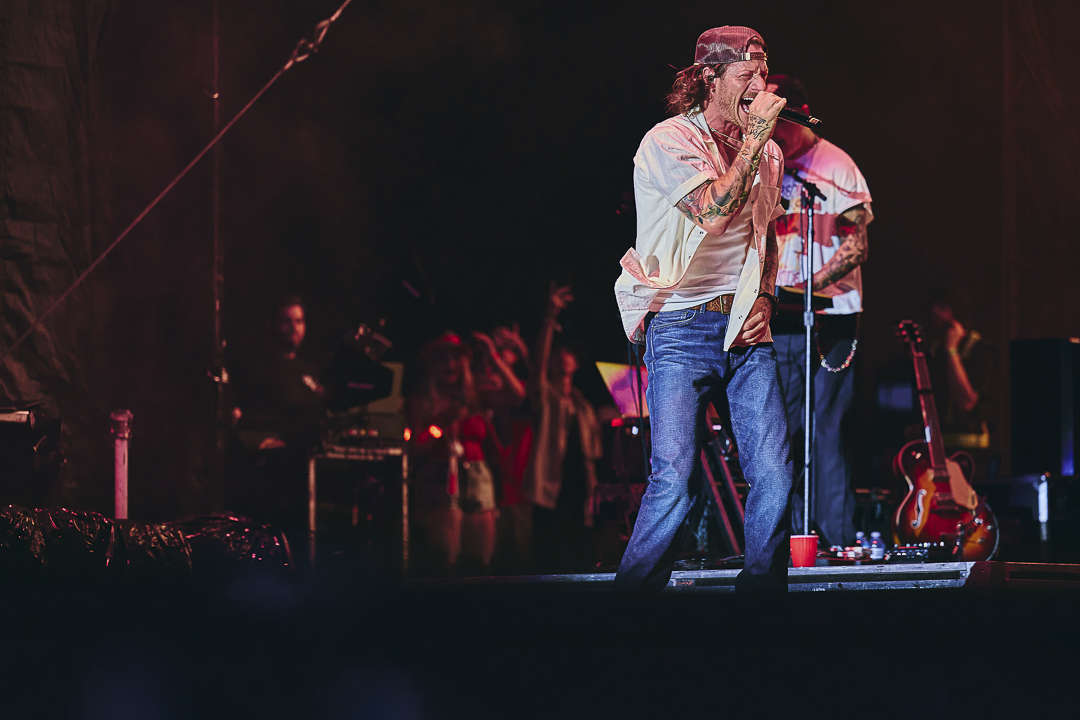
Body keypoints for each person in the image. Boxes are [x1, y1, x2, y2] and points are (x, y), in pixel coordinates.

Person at [613, 26, 793, 592]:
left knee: (774, 471)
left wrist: (767, 296)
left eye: (764, 73)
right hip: (680, 323)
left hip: (746, 327)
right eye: (747, 74)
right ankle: (630, 601)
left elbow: (767, 235)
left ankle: (762, 598)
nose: (761, 85)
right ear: (709, 79)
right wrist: (756, 138)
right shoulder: (668, 140)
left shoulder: (770, 153)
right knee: (675, 477)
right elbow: (714, 213)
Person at [766, 74, 873, 549]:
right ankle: (786, 540)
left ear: (802, 114)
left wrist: (808, 285)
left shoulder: (837, 165)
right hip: (781, 316)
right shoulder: (767, 164)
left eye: (779, 121)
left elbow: (857, 245)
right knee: (783, 429)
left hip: (832, 318)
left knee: (826, 427)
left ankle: (835, 538)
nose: (772, 130)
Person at [406, 332, 505, 576]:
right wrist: (441, 423)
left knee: (483, 562)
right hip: (439, 477)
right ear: (432, 365)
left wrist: (492, 354)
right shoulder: (420, 401)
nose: (449, 364)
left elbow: (517, 394)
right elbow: (415, 448)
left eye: (455, 358)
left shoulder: (475, 395)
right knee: (445, 560)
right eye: (442, 358)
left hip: (477, 476)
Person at [227, 295, 326, 531]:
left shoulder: (309, 372)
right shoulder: (254, 369)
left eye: (299, 321)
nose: (294, 328)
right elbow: (242, 420)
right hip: (268, 478)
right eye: (286, 321)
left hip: (307, 472)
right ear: (270, 324)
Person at [523, 284, 603, 574]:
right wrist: (550, 317)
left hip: (579, 484)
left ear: (576, 362)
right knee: (548, 549)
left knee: (580, 549)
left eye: (567, 353)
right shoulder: (546, 396)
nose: (561, 357)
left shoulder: (583, 405)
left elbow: (594, 453)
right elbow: (539, 367)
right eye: (558, 354)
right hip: (550, 483)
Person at [925, 287, 995, 475]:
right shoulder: (933, 349)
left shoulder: (980, 349)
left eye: (942, 307)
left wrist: (952, 352)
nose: (935, 313)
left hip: (972, 456)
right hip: (938, 451)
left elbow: (967, 402)